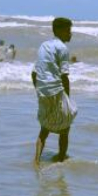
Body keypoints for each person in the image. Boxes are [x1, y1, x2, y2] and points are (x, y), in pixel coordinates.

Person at [32, 17, 78, 166]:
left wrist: (38, 90)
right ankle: (61, 160)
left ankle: (36, 161)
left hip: (42, 90)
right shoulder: (63, 48)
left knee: (44, 128)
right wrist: (68, 99)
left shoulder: (43, 46)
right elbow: (65, 77)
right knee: (66, 126)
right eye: (68, 31)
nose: (70, 34)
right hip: (56, 90)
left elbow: (34, 73)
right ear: (59, 31)